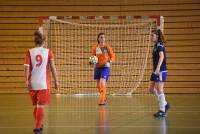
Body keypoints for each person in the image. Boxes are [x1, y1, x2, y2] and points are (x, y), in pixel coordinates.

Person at [24, 31, 59, 134]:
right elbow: (53, 68)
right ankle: (38, 127)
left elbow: (26, 68)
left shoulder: (29, 52)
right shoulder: (48, 52)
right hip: (43, 84)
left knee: (37, 106)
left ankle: (39, 124)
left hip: (32, 83)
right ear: (44, 41)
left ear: (35, 42)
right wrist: (56, 80)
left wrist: (26, 80)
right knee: (40, 106)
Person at [149, 29, 170, 117]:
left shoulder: (160, 45)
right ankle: (165, 104)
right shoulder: (155, 46)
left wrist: (158, 68)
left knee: (159, 89)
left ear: (157, 36)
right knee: (151, 89)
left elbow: (162, 56)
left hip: (160, 70)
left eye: (152, 35)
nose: (151, 37)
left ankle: (162, 110)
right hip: (156, 70)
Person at [91, 33, 115, 105]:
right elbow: (93, 57)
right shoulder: (95, 48)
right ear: (98, 39)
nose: (103, 39)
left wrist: (110, 62)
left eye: (104, 37)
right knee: (98, 85)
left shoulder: (107, 47)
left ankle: (102, 100)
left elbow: (112, 56)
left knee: (102, 83)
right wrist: (92, 62)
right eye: (101, 37)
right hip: (97, 68)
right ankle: (104, 98)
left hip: (105, 67)